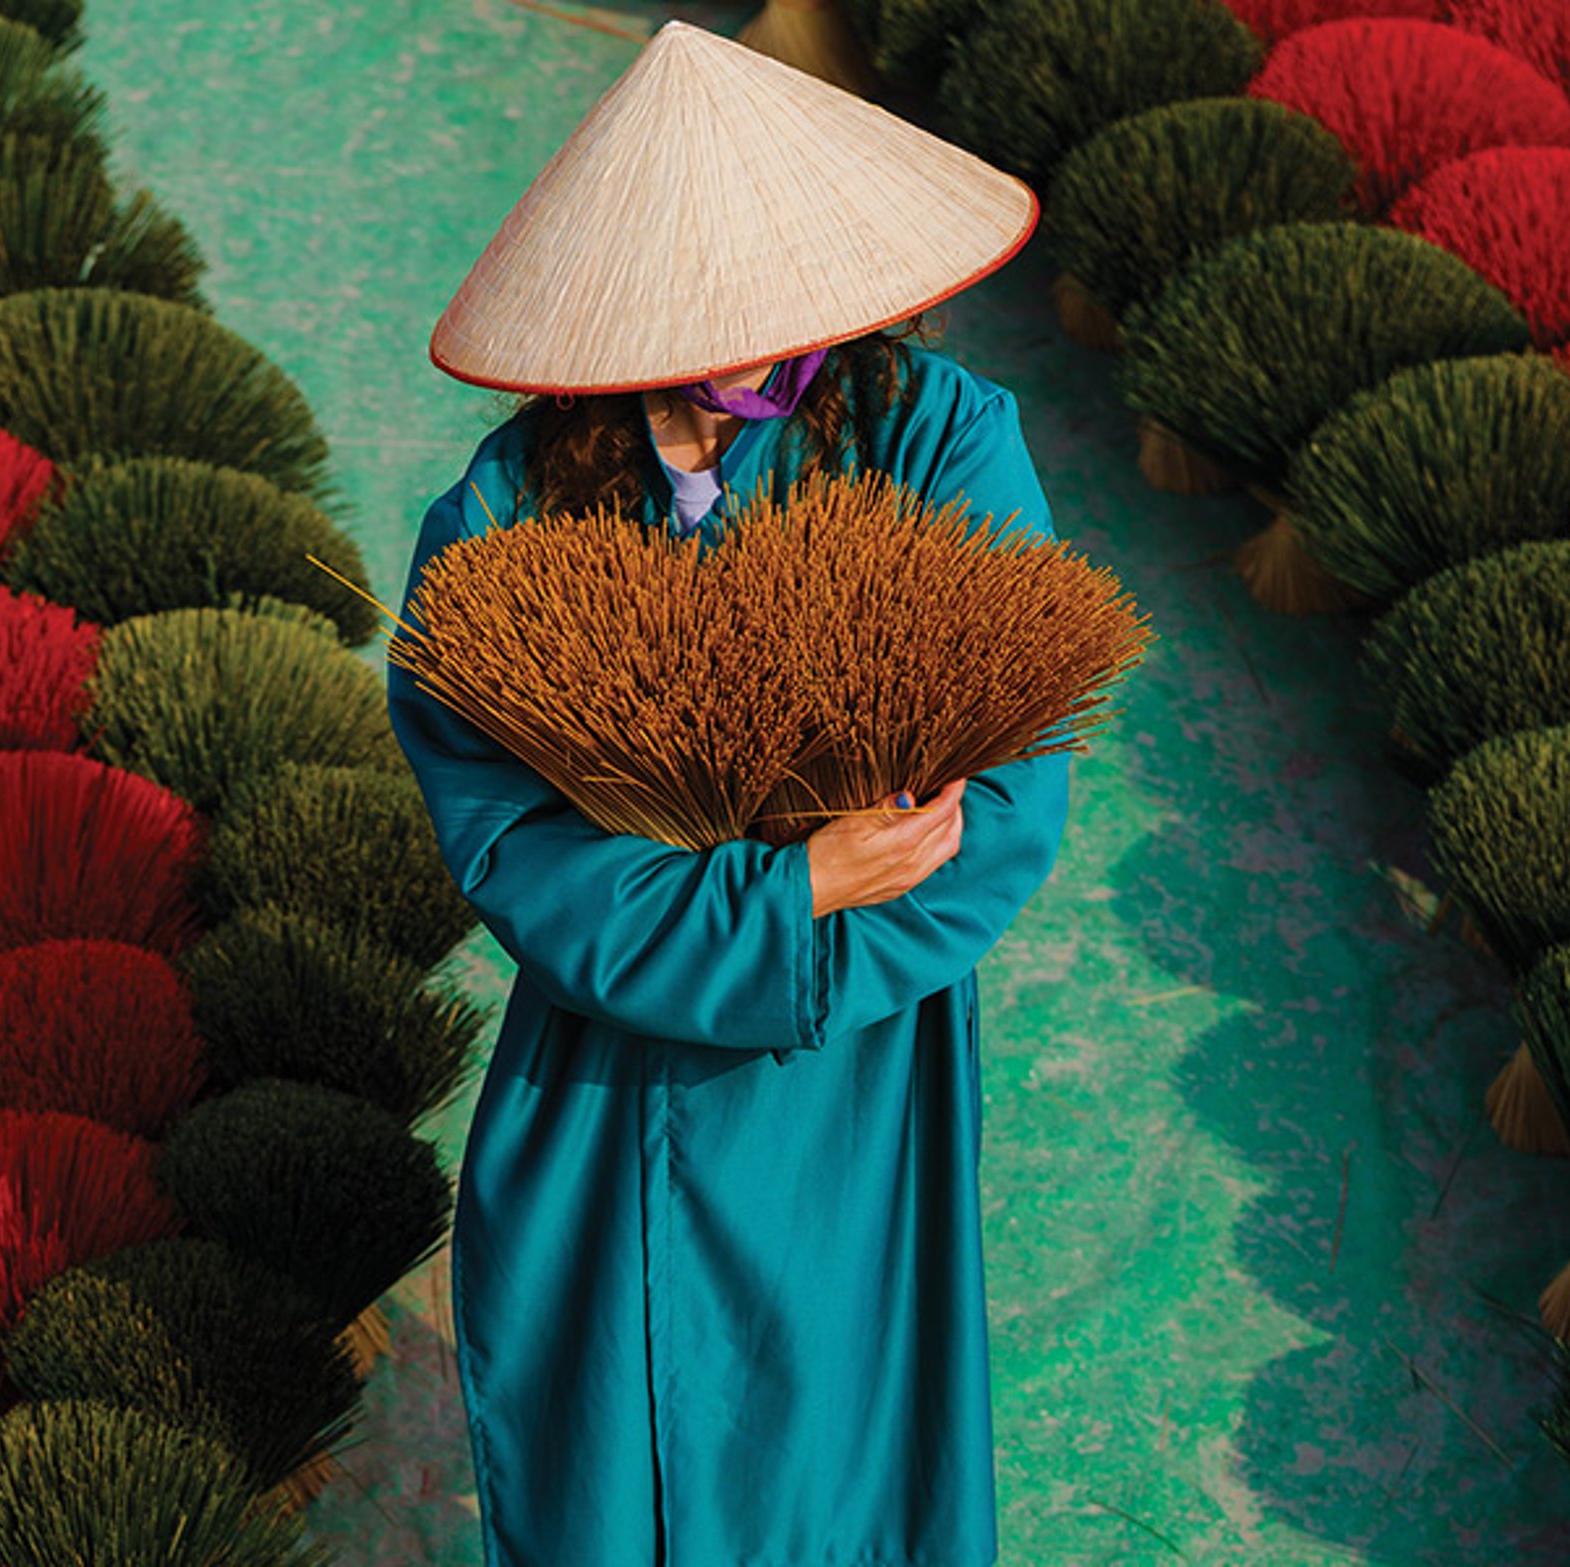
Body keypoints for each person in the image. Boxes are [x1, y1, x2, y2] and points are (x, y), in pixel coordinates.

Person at [397, 21, 1075, 1566]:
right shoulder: (507, 508)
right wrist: (785, 890)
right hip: (609, 1066)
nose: (746, 334)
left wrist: (837, 924)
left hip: (852, 1074)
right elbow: (507, 839)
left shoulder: (937, 438)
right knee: (610, 1452)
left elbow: (1009, 788)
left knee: (834, 1454)